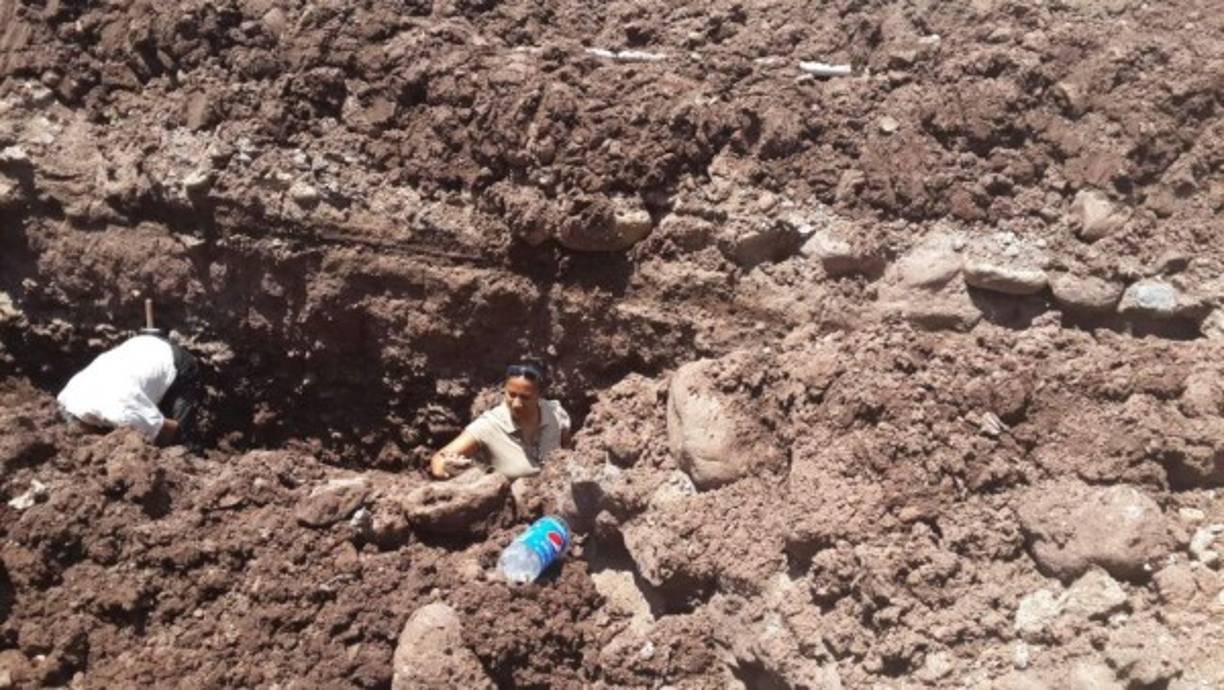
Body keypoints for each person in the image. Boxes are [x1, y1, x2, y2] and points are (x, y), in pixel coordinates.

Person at [57, 330, 202, 446]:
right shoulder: (67, 397)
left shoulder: (122, 412)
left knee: (180, 440)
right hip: (139, 345)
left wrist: (169, 440)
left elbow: (165, 431)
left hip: (175, 360)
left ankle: (192, 451)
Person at [430, 362, 571, 479]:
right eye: (512, 395)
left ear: (540, 395)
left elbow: (568, 453)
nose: (516, 403)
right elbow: (438, 460)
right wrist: (447, 466)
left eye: (525, 397)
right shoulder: (490, 424)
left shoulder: (556, 414)